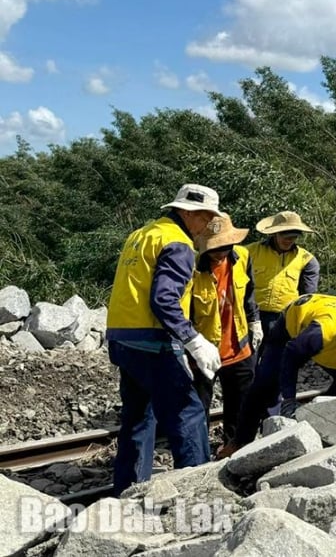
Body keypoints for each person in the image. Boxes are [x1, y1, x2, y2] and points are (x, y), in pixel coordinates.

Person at [105, 183, 224, 495]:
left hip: (122, 339)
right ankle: (198, 492)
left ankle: (128, 492)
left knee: (139, 418)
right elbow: (164, 300)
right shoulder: (178, 243)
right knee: (188, 412)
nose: (207, 226)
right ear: (187, 212)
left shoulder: (142, 235)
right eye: (205, 218)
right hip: (153, 341)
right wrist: (193, 340)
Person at [232, 294, 336, 449]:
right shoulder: (321, 334)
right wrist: (289, 399)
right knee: (265, 383)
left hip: (331, 323)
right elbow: (290, 358)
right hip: (293, 323)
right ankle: (241, 443)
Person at [189, 213, 258, 460]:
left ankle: (234, 450)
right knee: (198, 408)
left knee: (240, 408)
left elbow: (249, 292)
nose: (221, 252)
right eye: (215, 248)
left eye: (225, 246)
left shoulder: (243, 258)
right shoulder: (193, 268)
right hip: (204, 351)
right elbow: (184, 310)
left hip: (239, 347)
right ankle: (199, 457)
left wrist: (254, 321)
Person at [246, 211, 320, 335]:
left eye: (293, 236)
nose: (289, 240)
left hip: (285, 320)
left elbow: (308, 297)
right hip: (251, 316)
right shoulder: (249, 252)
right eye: (284, 235)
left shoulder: (307, 260)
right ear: (275, 233)